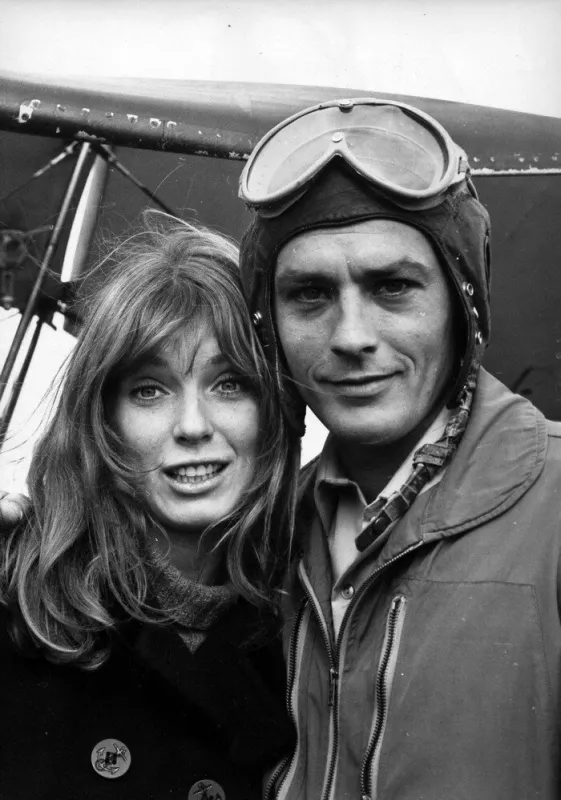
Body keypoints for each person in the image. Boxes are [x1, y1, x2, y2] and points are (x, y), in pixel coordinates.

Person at [236, 98, 561, 799]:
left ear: (462, 305)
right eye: (309, 294)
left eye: (392, 286)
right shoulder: (263, 533)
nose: (351, 336)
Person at [0, 215, 297, 800]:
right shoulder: (18, 594)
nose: (193, 426)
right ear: (102, 420)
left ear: (275, 409)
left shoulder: (305, 625)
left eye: (229, 383)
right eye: (149, 390)